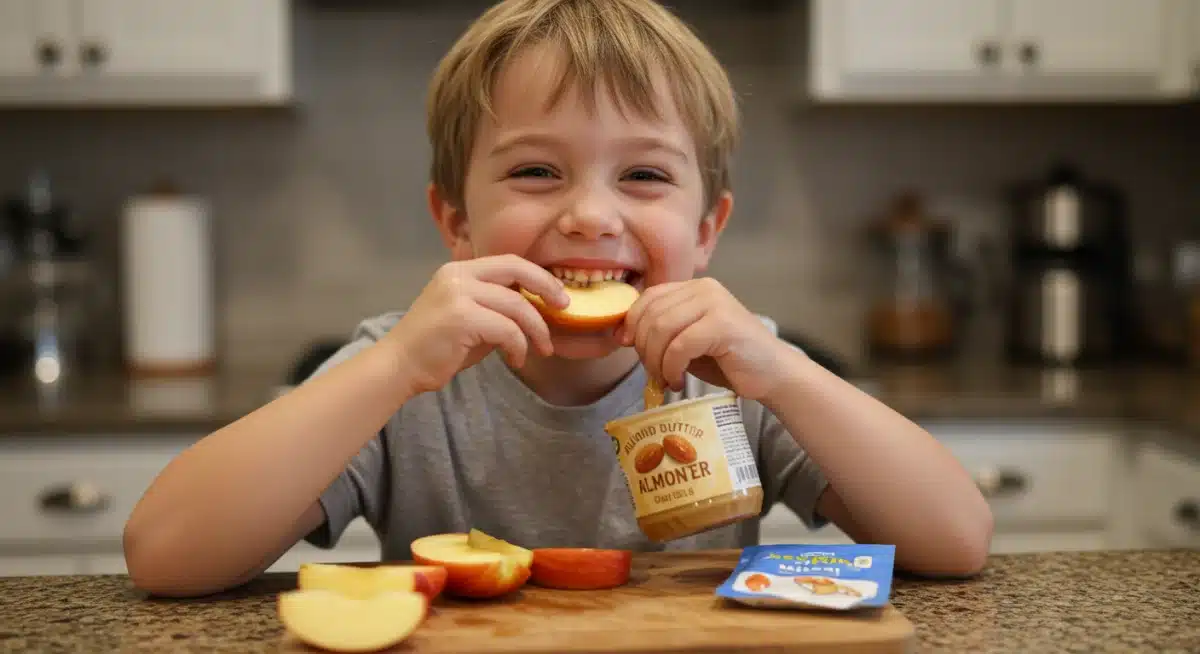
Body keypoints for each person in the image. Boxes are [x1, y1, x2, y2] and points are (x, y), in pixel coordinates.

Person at [123, 0, 993, 598]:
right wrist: (387, 371)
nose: (588, 215)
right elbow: (165, 556)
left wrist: (790, 377)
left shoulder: (736, 376)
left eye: (644, 175)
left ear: (706, 231)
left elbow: (957, 542)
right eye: (536, 172)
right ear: (456, 222)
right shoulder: (407, 377)